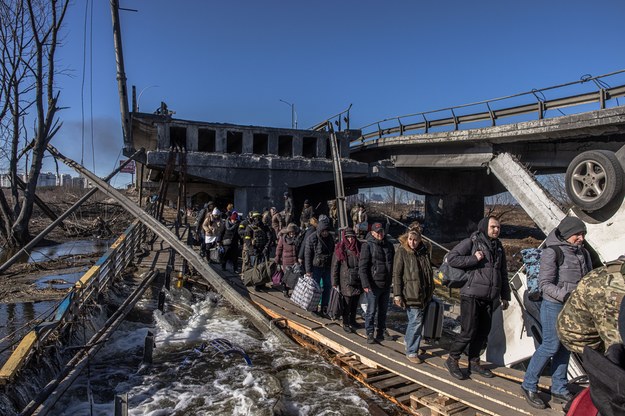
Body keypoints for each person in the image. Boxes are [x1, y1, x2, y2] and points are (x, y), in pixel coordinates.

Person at [521, 217, 592, 409]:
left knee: (565, 346)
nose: (581, 238)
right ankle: (528, 384)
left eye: (583, 234)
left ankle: (559, 388)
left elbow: (588, 281)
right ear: (567, 233)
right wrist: (566, 295)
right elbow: (545, 285)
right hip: (553, 305)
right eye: (577, 234)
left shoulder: (583, 253)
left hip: (573, 307)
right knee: (551, 345)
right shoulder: (552, 252)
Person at [556, 257, 625, 416]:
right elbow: (615, 344)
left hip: (591, 327)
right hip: (579, 335)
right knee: (611, 371)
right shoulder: (613, 291)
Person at [444, 216, 510, 380]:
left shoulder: (499, 247)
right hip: (471, 293)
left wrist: (505, 296)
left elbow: (502, 273)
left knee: (483, 332)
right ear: (484, 227)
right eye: (493, 227)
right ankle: (453, 358)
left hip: (489, 296)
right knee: (468, 331)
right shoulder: (473, 241)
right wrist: (474, 259)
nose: (496, 230)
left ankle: (473, 362)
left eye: (498, 227)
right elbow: (452, 258)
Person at [392, 229, 434, 364]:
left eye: (415, 240)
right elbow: (397, 274)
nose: (412, 242)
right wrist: (397, 294)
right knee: (416, 322)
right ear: (407, 239)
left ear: (420, 240)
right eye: (410, 239)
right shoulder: (402, 252)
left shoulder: (424, 252)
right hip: (410, 293)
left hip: (424, 294)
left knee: (415, 321)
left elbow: (428, 272)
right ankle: (411, 351)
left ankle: (409, 342)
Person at [359, 222, 395, 344]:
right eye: (377, 232)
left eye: (382, 231)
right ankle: (369, 332)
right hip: (373, 285)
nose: (380, 234)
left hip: (386, 284)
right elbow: (362, 268)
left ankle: (381, 331)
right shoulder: (367, 246)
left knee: (383, 310)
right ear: (373, 233)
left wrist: (393, 281)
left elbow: (393, 264)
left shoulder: (389, 245)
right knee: (371, 311)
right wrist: (365, 284)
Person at [332, 228, 362, 332]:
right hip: (345, 279)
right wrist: (334, 282)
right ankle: (345, 322)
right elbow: (335, 266)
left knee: (355, 302)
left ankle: (353, 320)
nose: (350, 239)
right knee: (346, 303)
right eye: (348, 237)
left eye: (352, 237)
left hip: (357, 278)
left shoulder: (359, 246)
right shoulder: (340, 248)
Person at [304, 215, 335, 315]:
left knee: (327, 286)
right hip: (316, 267)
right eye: (323, 231)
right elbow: (307, 255)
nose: (325, 233)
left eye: (327, 231)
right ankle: (313, 307)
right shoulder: (312, 238)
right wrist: (308, 271)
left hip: (327, 266)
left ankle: (324, 306)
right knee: (314, 288)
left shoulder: (331, 238)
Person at [275, 223, 300, 297]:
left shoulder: (297, 239)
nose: (292, 234)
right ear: (288, 232)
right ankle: (285, 290)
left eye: (293, 232)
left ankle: (293, 291)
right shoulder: (283, 238)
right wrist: (277, 258)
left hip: (295, 260)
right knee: (286, 276)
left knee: (294, 276)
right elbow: (279, 249)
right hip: (286, 260)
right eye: (291, 232)